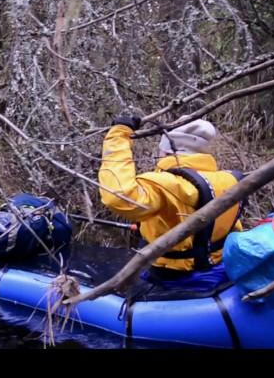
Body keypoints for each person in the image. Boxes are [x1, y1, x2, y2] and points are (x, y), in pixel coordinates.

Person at [98, 114, 244, 291]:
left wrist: (118, 135)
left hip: (174, 278)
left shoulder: (168, 185)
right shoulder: (228, 181)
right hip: (216, 270)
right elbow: (230, 227)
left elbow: (119, 196)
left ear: (167, 151)